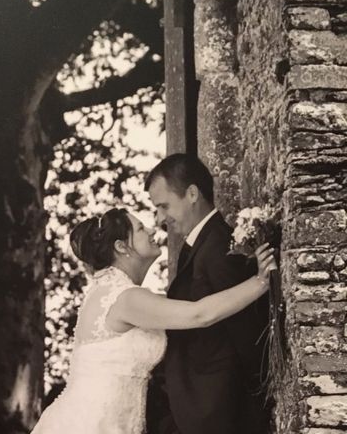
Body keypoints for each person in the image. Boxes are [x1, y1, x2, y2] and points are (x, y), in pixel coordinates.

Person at [30, 207, 276, 434]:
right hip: (94, 423)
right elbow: (198, 314)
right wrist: (259, 281)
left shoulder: (112, 292)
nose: (151, 229)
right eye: (139, 228)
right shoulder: (125, 299)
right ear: (122, 247)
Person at [145, 153, 271, 434]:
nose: (160, 218)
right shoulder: (200, 246)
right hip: (200, 410)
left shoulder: (218, 248)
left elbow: (248, 334)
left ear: (192, 194)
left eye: (164, 206)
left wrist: (253, 411)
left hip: (220, 412)